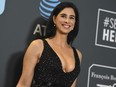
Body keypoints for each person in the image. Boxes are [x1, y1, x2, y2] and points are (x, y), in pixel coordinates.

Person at [16, 2, 82, 87]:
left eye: (71, 18)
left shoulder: (78, 55)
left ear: (74, 23)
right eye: (63, 16)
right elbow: (23, 84)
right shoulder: (38, 46)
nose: (67, 21)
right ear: (54, 19)